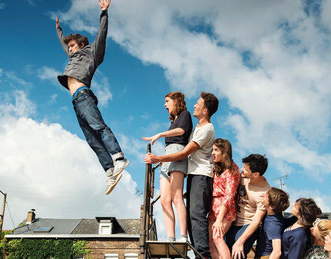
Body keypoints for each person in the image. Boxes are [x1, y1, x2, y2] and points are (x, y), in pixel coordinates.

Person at [55, 0, 129, 195]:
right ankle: (110, 170)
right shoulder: (73, 57)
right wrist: (59, 31)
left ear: (81, 45)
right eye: (68, 47)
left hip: (84, 96)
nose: (69, 49)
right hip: (76, 101)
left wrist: (104, 13)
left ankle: (119, 158)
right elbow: (64, 45)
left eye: (72, 46)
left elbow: (101, 35)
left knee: (98, 127)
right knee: (91, 139)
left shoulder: (91, 53)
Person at [145, 92, 219, 259]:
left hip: (200, 173)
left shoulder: (204, 128)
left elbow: (183, 152)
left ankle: (200, 253)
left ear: (205, 110)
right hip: (191, 171)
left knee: (195, 214)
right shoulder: (197, 128)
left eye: (198, 103)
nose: (194, 105)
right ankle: (174, 238)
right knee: (168, 201)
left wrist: (159, 150)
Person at [142, 92, 192, 242]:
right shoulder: (173, 121)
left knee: (177, 196)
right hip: (167, 156)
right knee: (164, 200)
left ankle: (183, 236)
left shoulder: (185, 115)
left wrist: (160, 134)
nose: (164, 105)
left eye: (167, 101)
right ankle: (171, 237)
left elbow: (181, 131)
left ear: (176, 101)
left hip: (178, 153)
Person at [225, 154, 271, 259]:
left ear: (255, 174)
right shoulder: (242, 176)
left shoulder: (264, 193)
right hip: (231, 220)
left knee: (236, 254)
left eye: (245, 169)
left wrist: (240, 242)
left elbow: (256, 220)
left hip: (247, 225)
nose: (242, 170)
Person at [208, 138, 240, 259]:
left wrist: (219, 220)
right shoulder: (217, 168)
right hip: (213, 208)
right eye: (212, 150)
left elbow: (229, 195)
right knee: (211, 243)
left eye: (216, 150)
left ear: (224, 151)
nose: (213, 153)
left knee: (217, 238)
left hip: (225, 210)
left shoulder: (232, 169)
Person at [254, 187, 290, 259]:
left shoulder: (273, 224)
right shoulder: (276, 215)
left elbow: (277, 252)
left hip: (265, 256)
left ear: (271, 206)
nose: (263, 195)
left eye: (266, 196)